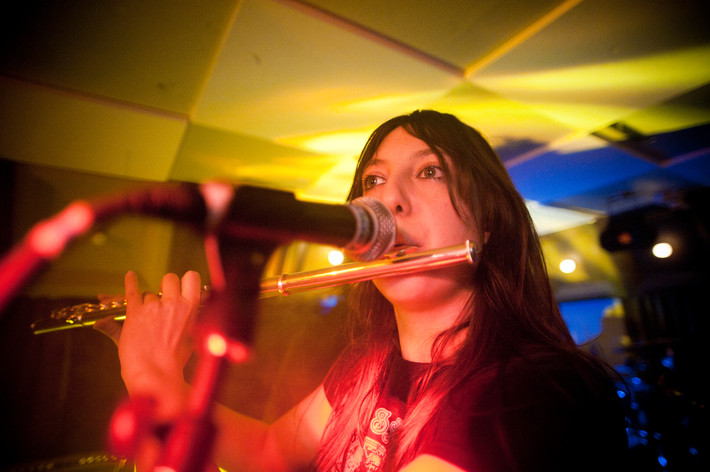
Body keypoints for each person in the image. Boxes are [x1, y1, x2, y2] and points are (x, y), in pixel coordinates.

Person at [96, 110, 629, 471]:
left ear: (486, 225)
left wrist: (149, 377)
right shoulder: (365, 368)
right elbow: (265, 452)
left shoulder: (527, 389)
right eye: (373, 181)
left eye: (429, 172)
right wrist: (167, 375)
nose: (389, 201)